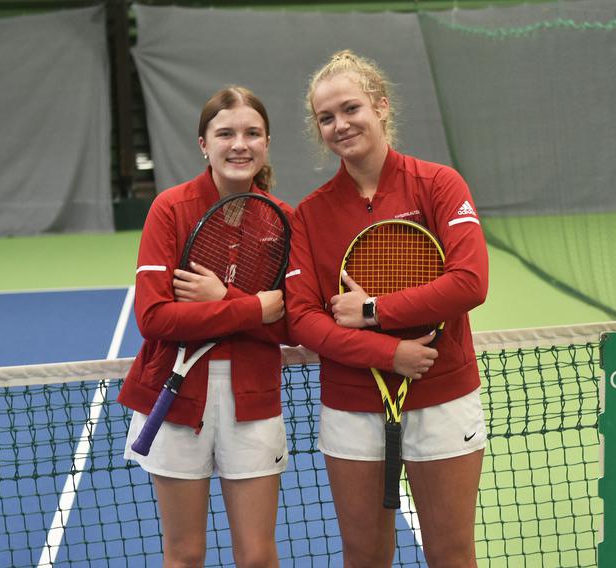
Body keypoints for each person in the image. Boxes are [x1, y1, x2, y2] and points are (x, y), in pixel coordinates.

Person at [284, 50, 489, 567]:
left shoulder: (440, 185)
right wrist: (387, 353)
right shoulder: (309, 213)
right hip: (351, 405)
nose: (340, 125)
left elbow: (469, 282)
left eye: (350, 109)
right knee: (364, 555)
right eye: (325, 118)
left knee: (451, 552)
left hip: (442, 396)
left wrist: (373, 310)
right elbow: (302, 319)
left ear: (379, 106)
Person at [118, 86, 291, 568]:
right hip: (175, 396)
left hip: (253, 396)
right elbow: (154, 319)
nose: (240, 144)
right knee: (186, 554)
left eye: (252, 133)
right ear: (204, 144)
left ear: (267, 142)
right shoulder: (170, 209)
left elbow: (294, 324)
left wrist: (223, 300)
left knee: (257, 556)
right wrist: (253, 310)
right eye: (226, 133)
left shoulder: (283, 222)